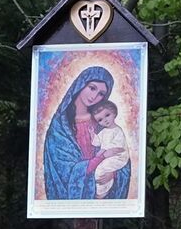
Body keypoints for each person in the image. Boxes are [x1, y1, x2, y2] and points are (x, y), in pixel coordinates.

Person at [42, 65, 132, 201]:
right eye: (92, 88)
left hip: (102, 190)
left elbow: (121, 156)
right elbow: (62, 168)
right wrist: (100, 158)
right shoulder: (60, 126)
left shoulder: (103, 123)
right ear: (80, 85)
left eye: (101, 93)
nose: (94, 96)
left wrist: (113, 174)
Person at [86, 100, 128, 199]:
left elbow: (117, 146)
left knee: (100, 170)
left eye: (107, 115)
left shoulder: (118, 130)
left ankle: (102, 193)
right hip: (109, 157)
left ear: (114, 113)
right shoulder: (104, 131)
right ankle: (102, 191)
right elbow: (97, 142)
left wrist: (103, 151)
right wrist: (92, 134)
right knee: (99, 171)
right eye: (100, 120)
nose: (104, 120)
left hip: (119, 157)